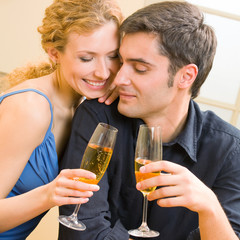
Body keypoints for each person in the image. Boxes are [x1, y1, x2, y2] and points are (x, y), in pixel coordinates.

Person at [59, 1, 240, 240]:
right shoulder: (98, 118)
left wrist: (211, 209)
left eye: (140, 69)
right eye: (121, 62)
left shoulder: (230, 150)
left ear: (185, 76)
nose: (119, 78)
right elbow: (83, 232)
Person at [0, 0, 123, 238]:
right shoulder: (30, 108)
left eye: (112, 56)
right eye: (87, 58)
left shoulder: (83, 105)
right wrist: (48, 195)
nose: (103, 72)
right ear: (54, 53)